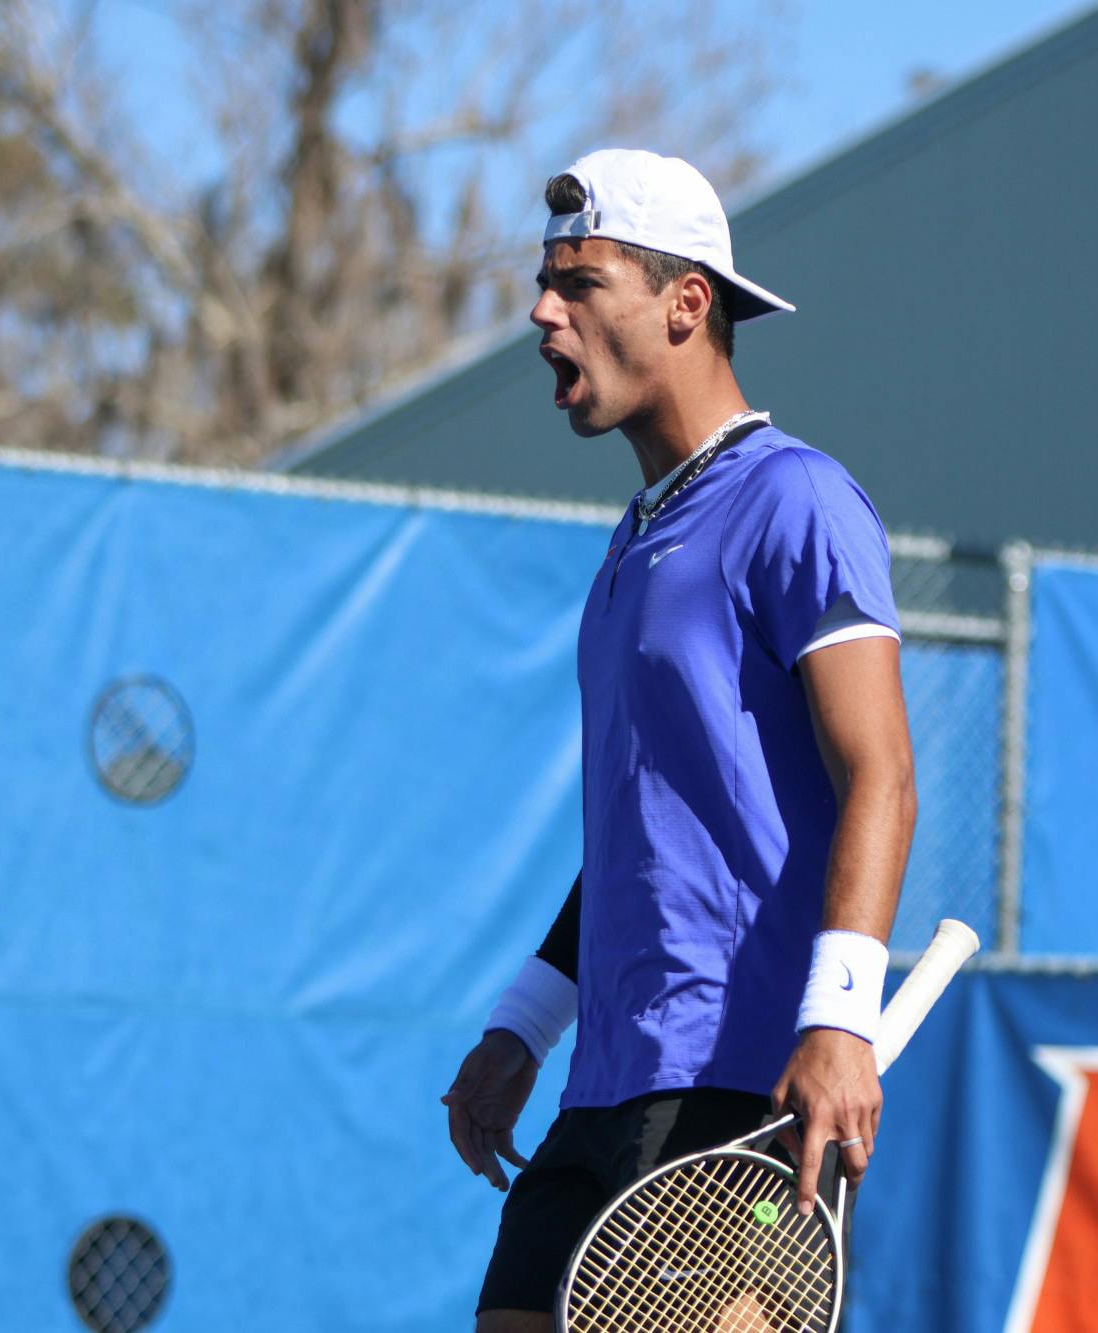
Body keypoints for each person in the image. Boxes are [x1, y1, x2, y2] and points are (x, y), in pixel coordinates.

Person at [441, 148, 918, 1331]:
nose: (544, 314)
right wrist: (524, 1024)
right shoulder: (633, 538)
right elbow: (649, 836)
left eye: (581, 284)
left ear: (684, 303)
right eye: (543, 286)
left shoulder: (795, 500)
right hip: (604, 1086)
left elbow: (882, 773)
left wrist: (837, 1022)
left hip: (737, 1090)